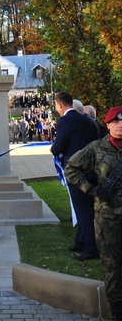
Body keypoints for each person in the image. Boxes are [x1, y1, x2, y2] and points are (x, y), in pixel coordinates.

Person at [64, 105, 122, 321]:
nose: (119, 125)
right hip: (107, 218)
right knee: (112, 266)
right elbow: (71, 169)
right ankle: (117, 314)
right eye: (115, 122)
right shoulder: (96, 148)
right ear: (107, 124)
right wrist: (91, 189)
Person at [51, 91, 100, 261]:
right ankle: (80, 241)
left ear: (60, 105)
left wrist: (53, 149)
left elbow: (59, 146)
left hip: (76, 172)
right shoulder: (88, 120)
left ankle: (91, 248)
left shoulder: (65, 120)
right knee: (86, 208)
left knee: (83, 210)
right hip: (93, 171)